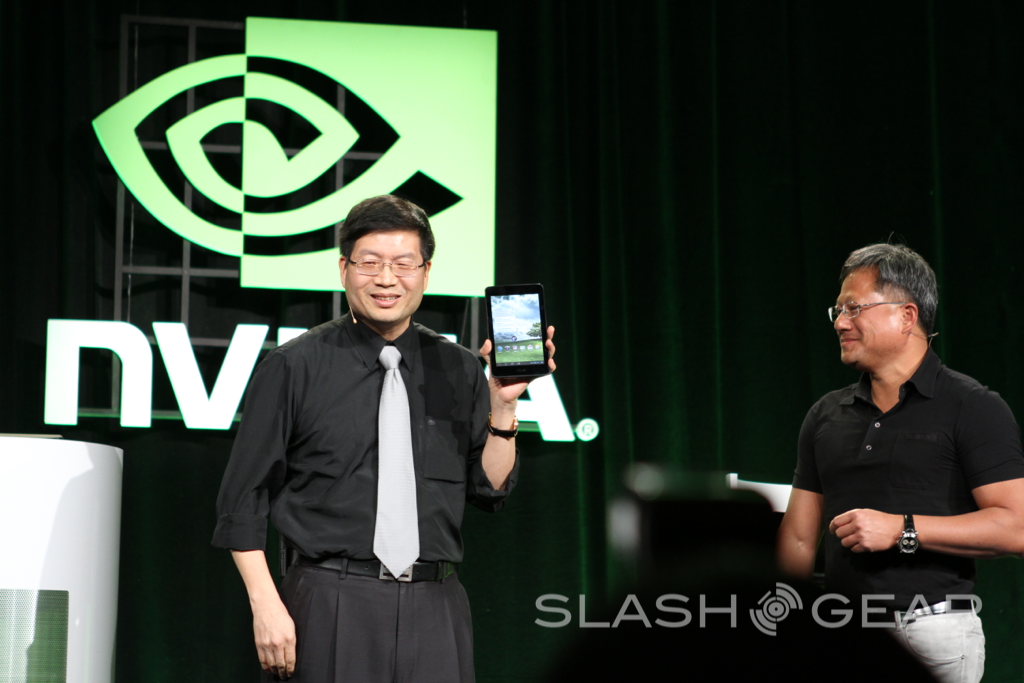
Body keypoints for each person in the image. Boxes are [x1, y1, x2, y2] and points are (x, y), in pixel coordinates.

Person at [212, 195, 555, 683]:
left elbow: (490, 489)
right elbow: (242, 501)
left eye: (403, 264)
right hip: (328, 601)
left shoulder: (459, 368)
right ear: (344, 269)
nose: (387, 279)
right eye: (369, 263)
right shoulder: (293, 366)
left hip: (436, 605)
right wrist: (266, 606)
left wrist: (503, 405)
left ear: (426, 272)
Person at [777, 243, 1024, 683]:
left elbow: (1016, 526)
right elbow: (798, 537)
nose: (840, 322)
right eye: (837, 310)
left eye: (854, 308)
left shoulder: (972, 406)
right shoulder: (824, 415)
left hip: (931, 634)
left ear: (907, 316)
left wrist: (902, 528)